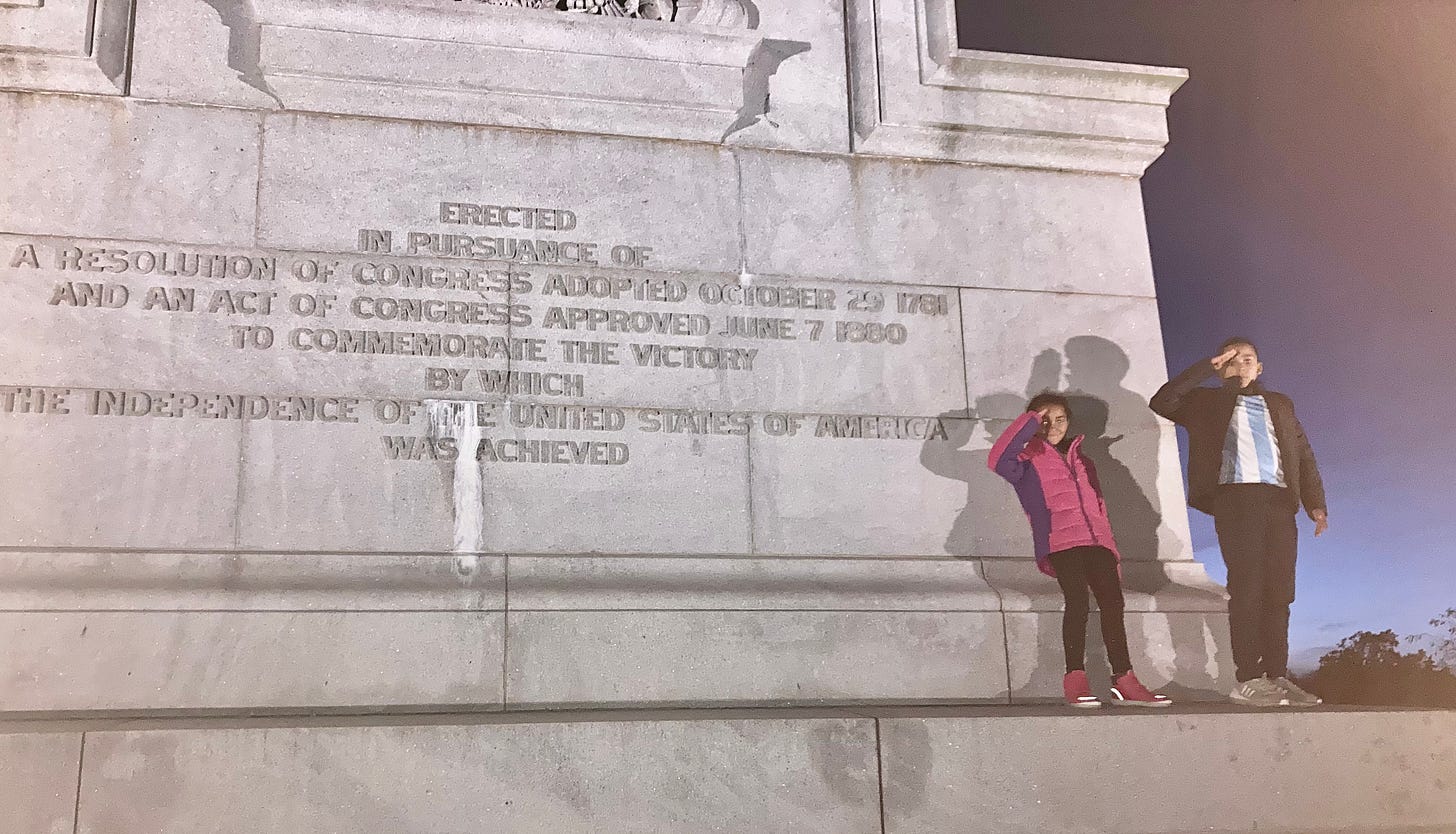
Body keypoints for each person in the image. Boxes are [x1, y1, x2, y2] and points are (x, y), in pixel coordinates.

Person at [1150, 338, 1328, 707]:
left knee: (1280, 591)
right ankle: (1247, 677)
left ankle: (1277, 675)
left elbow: (1302, 453)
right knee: (1247, 586)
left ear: (1258, 368)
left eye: (1247, 359)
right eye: (1232, 360)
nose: (1240, 365)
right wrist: (1206, 367)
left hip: (1279, 501)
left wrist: (1316, 503)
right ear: (1222, 367)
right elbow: (1162, 401)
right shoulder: (1205, 403)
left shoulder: (1279, 404)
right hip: (1236, 498)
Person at [988, 392, 1172, 708]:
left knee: (1113, 603)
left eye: (1060, 419)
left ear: (1069, 422)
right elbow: (997, 459)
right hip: (1060, 542)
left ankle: (1125, 680)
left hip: (1096, 542)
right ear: (1033, 422)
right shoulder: (1025, 459)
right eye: (1044, 419)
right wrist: (1031, 420)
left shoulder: (1084, 460)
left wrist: (1110, 549)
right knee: (1077, 601)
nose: (1052, 425)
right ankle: (1075, 677)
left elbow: (1099, 507)